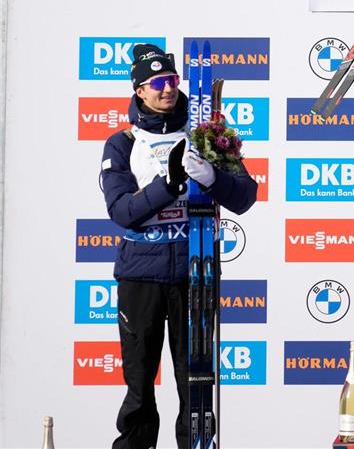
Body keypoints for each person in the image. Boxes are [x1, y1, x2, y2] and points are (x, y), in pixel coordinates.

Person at [100, 44, 258, 449]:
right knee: (139, 386)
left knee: (196, 384)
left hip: (195, 271)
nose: (167, 89)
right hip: (141, 275)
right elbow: (121, 211)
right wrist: (167, 187)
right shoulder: (122, 142)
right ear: (140, 91)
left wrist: (211, 178)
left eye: (172, 80)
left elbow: (244, 196)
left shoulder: (205, 133)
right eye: (157, 83)